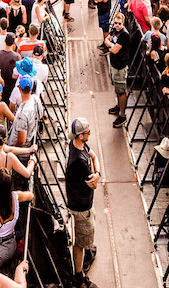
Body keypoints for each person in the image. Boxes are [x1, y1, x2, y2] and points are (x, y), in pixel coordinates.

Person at [63, 118, 100, 288]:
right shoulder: (78, 161)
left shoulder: (78, 145)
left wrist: (97, 171)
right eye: (87, 132)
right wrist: (96, 174)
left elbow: (94, 157)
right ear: (80, 135)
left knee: (84, 239)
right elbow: (94, 183)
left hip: (83, 204)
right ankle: (79, 276)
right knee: (79, 243)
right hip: (80, 208)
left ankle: (85, 256)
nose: (89, 134)